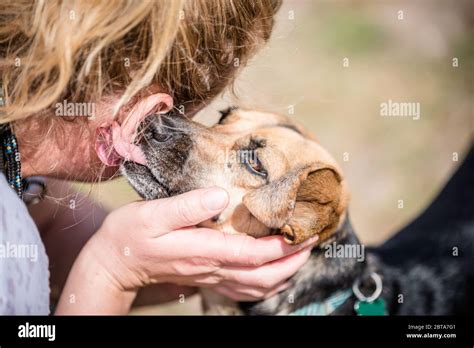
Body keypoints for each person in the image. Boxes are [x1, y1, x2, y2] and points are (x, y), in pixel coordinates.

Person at [0, 0, 319, 314]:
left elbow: (51, 228)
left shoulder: (19, 169)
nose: (170, 128)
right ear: (154, 107)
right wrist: (113, 273)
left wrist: (187, 267)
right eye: (183, 109)